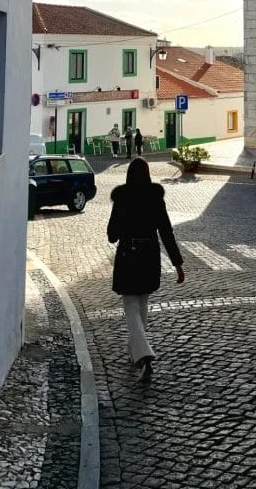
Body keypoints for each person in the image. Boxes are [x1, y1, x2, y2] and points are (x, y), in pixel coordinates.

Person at [107, 158, 185, 382]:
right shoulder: (155, 197)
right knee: (142, 302)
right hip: (150, 256)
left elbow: (112, 234)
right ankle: (135, 353)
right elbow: (166, 232)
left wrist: (123, 223)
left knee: (131, 305)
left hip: (129, 254)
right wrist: (178, 264)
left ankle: (144, 354)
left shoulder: (122, 197)